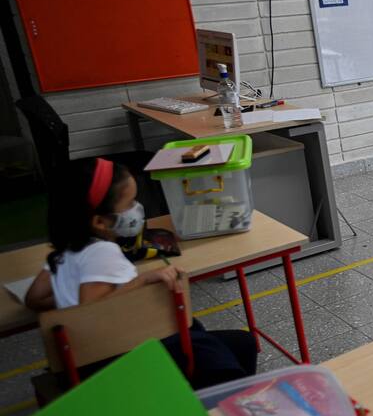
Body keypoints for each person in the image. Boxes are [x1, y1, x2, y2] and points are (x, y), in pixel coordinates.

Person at [23, 158, 256, 388]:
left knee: (234, 343)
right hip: (118, 360)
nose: (137, 208)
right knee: (213, 350)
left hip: (83, 362)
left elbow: (34, 298)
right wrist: (142, 280)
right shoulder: (102, 252)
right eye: (130, 202)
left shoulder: (65, 251)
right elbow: (92, 312)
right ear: (100, 222)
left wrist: (71, 297)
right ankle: (229, 411)